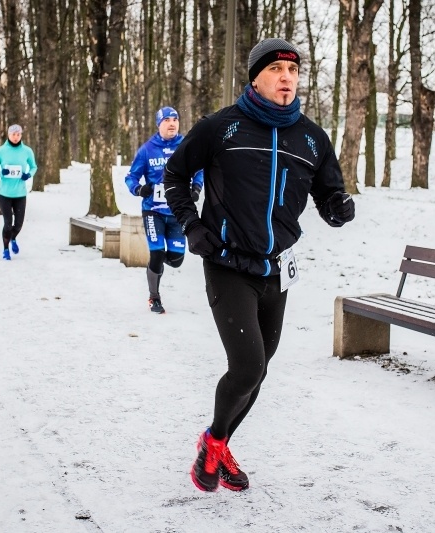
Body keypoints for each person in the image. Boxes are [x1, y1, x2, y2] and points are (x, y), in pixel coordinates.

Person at [164, 38, 356, 492]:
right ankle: (213, 445)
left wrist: (338, 207)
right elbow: (175, 175)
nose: (287, 78)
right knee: (248, 366)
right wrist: (191, 226)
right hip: (228, 263)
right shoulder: (221, 128)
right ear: (256, 77)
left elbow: (328, 193)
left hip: (277, 269)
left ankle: (218, 444)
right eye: (276, 69)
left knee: (260, 369)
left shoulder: (312, 138)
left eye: (293, 70)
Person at [125, 107, 203, 313]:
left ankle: (155, 261)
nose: (172, 123)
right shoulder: (147, 150)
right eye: (166, 120)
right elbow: (131, 177)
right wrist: (140, 189)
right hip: (153, 211)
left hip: (178, 211)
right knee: (158, 253)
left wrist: (196, 187)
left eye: (175, 119)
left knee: (176, 260)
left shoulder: (186, 145)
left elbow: (200, 169)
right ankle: (154, 297)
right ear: (158, 124)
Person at [0, 124, 37, 260]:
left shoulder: (27, 151)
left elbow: (34, 167)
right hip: (4, 193)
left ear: (21, 135)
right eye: (13, 134)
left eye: (18, 134)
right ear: (8, 135)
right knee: (8, 223)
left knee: (19, 224)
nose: (16, 137)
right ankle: (5, 249)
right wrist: (1, 173)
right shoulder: (0, 151)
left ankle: (13, 238)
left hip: (20, 194)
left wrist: (28, 174)